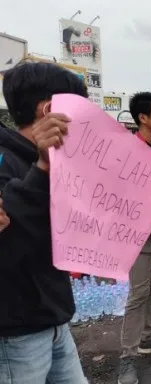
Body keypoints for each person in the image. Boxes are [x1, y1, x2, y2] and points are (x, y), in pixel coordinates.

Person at [0, 61, 88, 382]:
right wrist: (43, 170)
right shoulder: (6, 160)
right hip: (16, 337)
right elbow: (13, 234)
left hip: (54, 323)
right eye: (80, 113)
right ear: (50, 110)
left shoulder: (59, 161)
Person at [118, 92, 151, 384]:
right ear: (143, 118)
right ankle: (127, 357)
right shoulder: (131, 152)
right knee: (137, 294)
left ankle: (149, 336)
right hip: (136, 235)